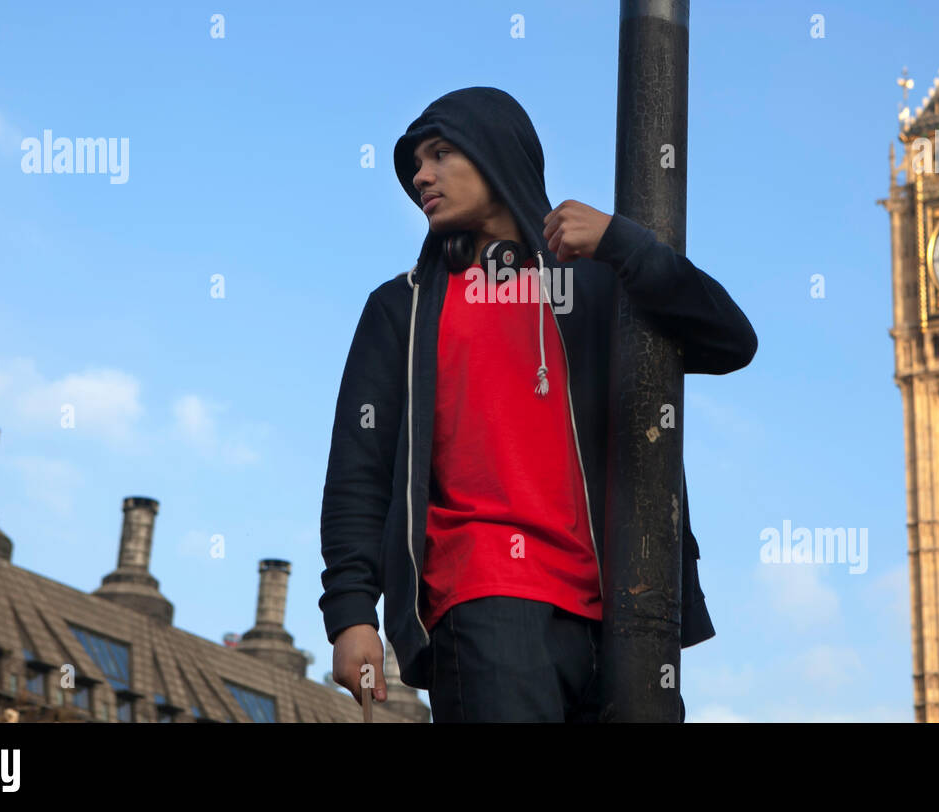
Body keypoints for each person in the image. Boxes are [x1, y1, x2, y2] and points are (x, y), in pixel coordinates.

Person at [319, 86, 757, 722]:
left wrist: (626, 245)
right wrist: (351, 613)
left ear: (498, 155)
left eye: (441, 153)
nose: (421, 175)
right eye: (415, 162)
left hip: (627, 613)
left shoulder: (596, 281)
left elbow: (731, 341)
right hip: (486, 600)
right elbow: (357, 470)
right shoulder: (402, 308)